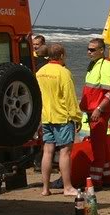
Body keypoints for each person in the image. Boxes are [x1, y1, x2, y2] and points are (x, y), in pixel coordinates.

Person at [35, 43, 82, 196]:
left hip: (46, 116)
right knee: (65, 152)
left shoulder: (40, 72)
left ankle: (45, 188)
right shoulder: (63, 72)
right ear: (61, 56)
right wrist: (77, 117)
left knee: (47, 151)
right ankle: (67, 187)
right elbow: (70, 97)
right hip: (62, 116)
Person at [80, 38, 110, 188]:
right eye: (88, 49)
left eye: (92, 50)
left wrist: (99, 109)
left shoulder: (106, 66)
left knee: (97, 146)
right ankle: (107, 177)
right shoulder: (94, 65)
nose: (89, 52)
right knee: (101, 144)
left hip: (98, 112)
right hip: (93, 112)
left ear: (101, 50)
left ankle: (96, 180)